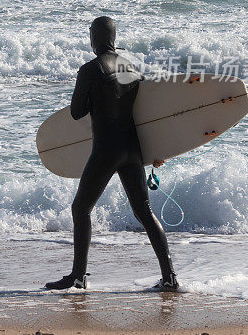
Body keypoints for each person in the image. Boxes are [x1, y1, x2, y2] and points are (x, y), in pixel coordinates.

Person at [45, 16, 178, 291]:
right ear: (113, 38)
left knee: (80, 209)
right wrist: (157, 151)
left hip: (106, 150)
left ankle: (79, 277)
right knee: (144, 211)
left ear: (95, 38)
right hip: (132, 149)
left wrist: (94, 94)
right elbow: (148, 113)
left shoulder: (90, 69)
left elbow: (76, 112)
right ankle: (170, 277)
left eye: (91, 34)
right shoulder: (131, 66)